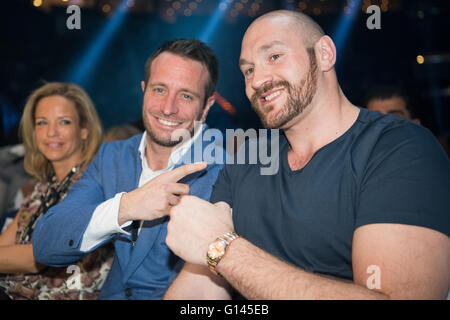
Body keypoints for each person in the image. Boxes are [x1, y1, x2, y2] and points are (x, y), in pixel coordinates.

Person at [163, 10, 450, 299]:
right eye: (248, 70)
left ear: (324, 53)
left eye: (274, 56)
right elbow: (199, 290)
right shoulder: (249, 157)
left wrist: (225, 251)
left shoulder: (399, 148)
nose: (258, 79)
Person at [32, 39, 224, 299]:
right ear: (144, 90)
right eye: (159, 90)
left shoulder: (222, 169)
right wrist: (127, 207)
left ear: (207, 107)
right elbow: (45, 244)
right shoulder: (112, 156)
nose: (168, 107)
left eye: (186, 95)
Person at [0, 82, 114, 300]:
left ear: (84, 130)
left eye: (64, 122)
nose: (51, 132)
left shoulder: (95, 183)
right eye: (42, 123)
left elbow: (35, 258)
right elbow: (5, 243)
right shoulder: (44, 187)